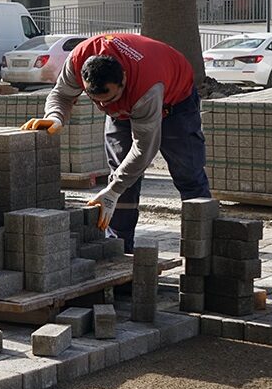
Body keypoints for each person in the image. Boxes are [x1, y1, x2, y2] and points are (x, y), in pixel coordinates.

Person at [21, 33, 211, 250]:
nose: (104, 106)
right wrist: (55, 117)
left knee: (188, 175)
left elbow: (144, 149)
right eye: (96, 101)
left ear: (123, 78)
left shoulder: (146, 87)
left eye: (111, 99)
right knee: (121, 174)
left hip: (175, 104)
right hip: (128, 107)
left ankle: (204, 246)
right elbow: (61, 95)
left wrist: (112, 191)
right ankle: (119, 248)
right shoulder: (78, 59)